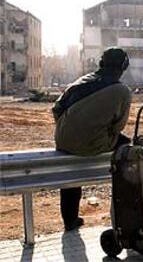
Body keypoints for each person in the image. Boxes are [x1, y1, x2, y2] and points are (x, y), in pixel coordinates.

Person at [52, 47, 132, 231]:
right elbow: (118, 126)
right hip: (92, 143)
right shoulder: (122, 91)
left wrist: (72, 128)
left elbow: (56, 109)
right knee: (129, 149)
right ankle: (125, 210)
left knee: (72, 174)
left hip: (63, 141)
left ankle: (70, 221)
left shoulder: (81, 81)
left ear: (101, 64)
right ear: (123, 67)